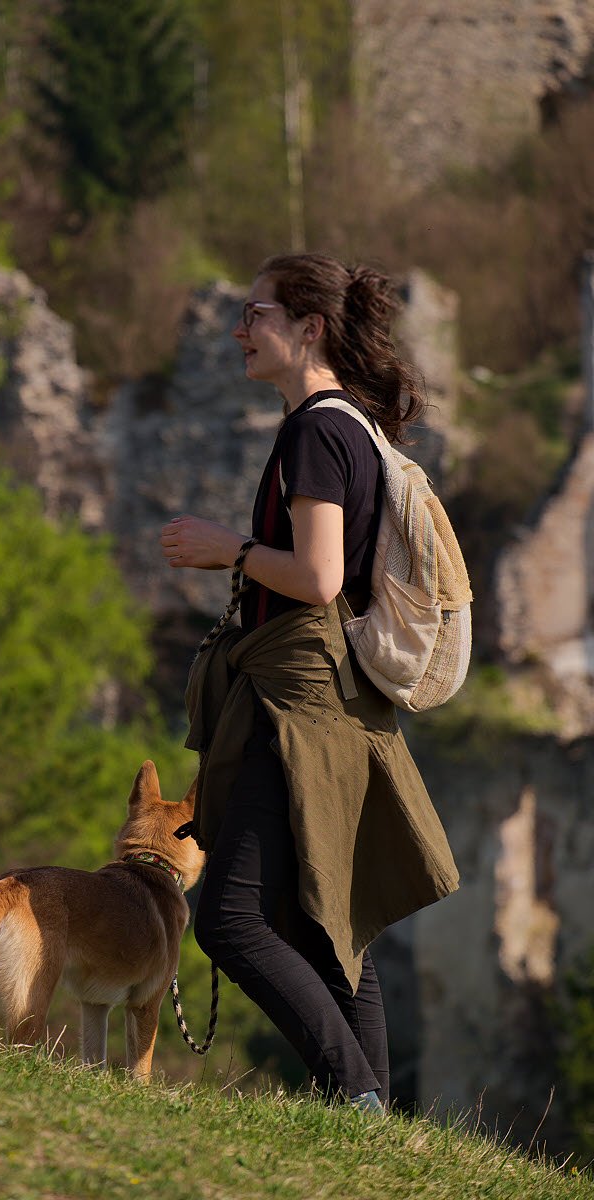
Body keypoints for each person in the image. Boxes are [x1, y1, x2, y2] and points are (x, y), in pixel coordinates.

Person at [160, 252, 459, 1113]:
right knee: (332, 929)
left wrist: (232, 550)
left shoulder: (316, 431)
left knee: (230, 918)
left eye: (255, 314)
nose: (238, 330)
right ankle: (369, 1123)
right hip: (326, 698)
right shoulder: (348, 425)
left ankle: (353, 1096)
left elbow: (321, 577)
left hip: (298, 701)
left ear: (308, 328)